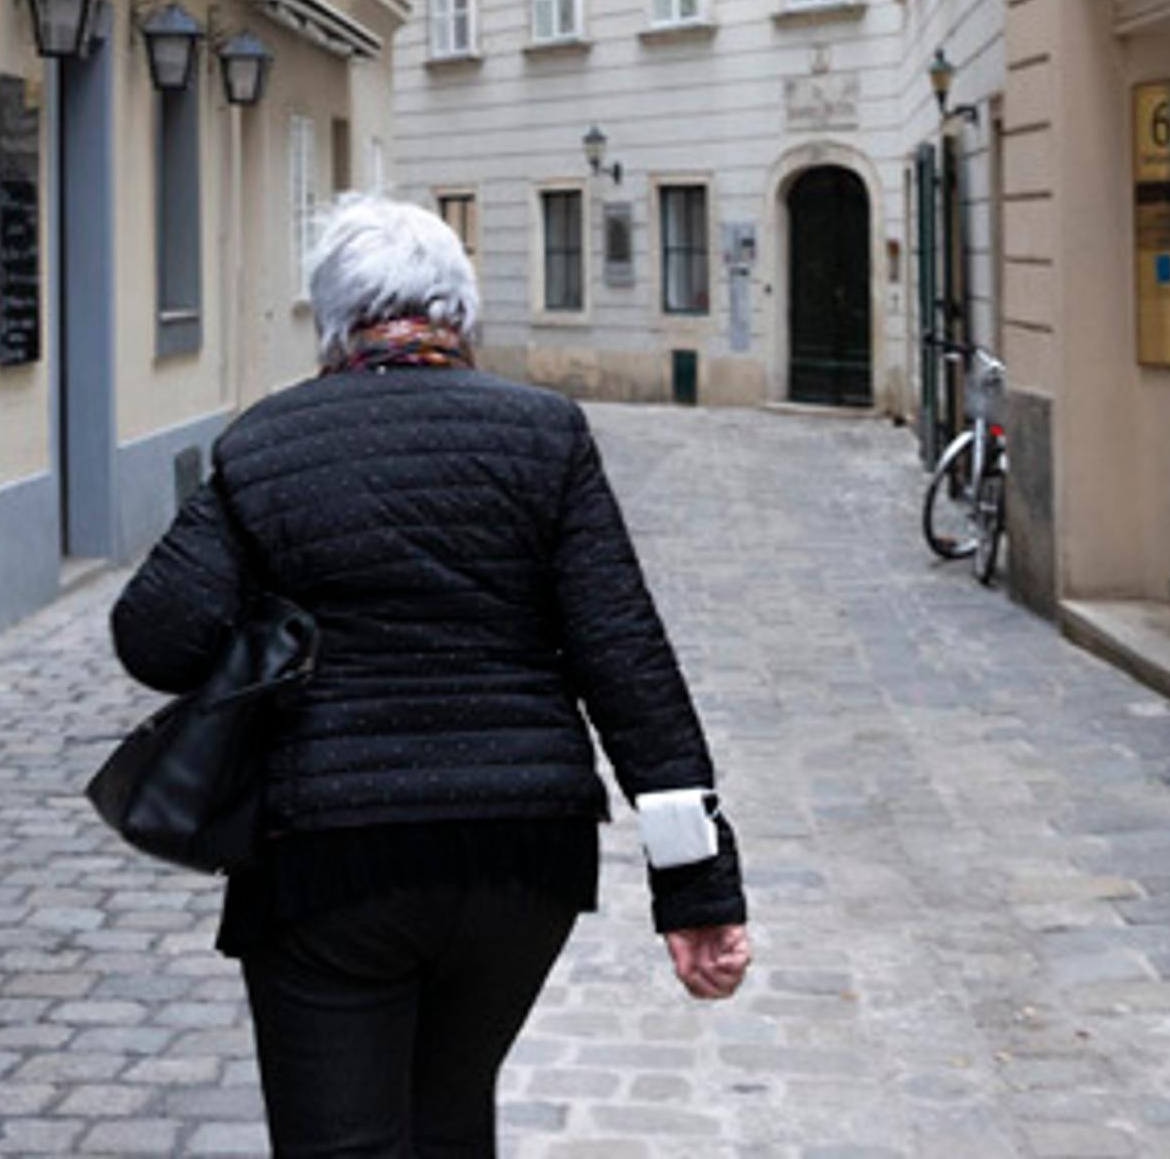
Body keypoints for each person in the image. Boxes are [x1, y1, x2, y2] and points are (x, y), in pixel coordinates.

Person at [112, 193, 751, 1156]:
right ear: (459, 314)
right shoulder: (546, 434)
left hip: (328, 861)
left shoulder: (266, 441)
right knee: (449, 1118)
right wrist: (698, 890)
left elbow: (155, 638)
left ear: (333, 322)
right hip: (521, 862)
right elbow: (626, 661)